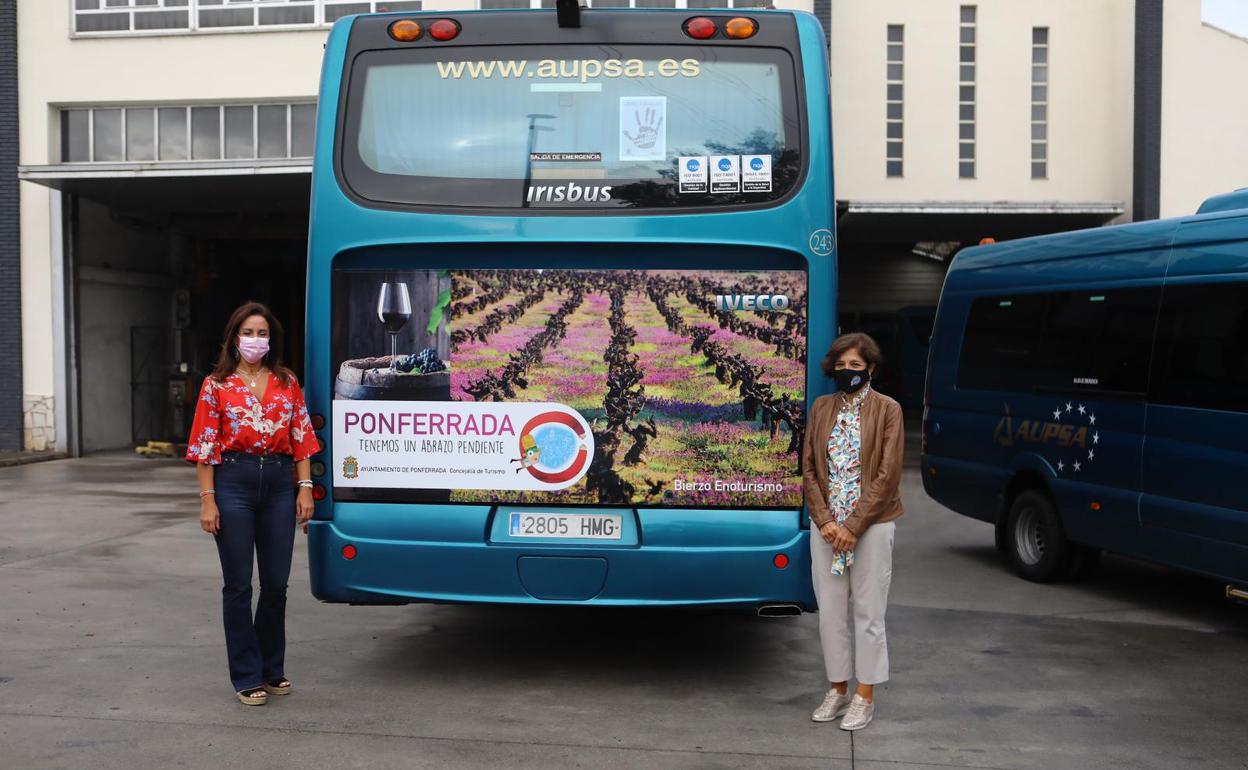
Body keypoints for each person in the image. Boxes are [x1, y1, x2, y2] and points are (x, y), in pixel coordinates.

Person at [187, 301, 320, 706]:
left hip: (280, 484)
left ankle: (271, 667)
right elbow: (204, 446)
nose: (256, 340)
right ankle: (246, 675)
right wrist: (208, 500)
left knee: (277, 584)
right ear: (234, 338)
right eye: (249, 333)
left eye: (263, 334)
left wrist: (305, 487)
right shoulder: (216, 385)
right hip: (234, 484)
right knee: (239, 584)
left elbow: (301, 437)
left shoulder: (286, 381)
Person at [801, 332, 904, 731]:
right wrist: (826, 521)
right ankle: (837, 689)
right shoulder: (822, 408)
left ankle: (865, 696)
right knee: (830, 613)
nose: (847, 372)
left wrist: (853, 526)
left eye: (855, 367)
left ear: (871, 369)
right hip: (826, 528)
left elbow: (887, 474)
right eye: (841, 366)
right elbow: (809, 469)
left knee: (868, 612)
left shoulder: (888, 410)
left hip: (872, 526)